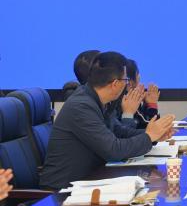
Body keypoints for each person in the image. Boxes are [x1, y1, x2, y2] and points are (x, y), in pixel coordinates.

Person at [39, 52, 175, 190]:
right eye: (125, 80)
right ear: (115, 84)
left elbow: (119, 132)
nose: (126, 85)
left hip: (90, 181)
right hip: (62, 191)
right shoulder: (81, 106)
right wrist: (149, 136)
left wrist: (152, 135)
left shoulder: (97, 100)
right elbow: (113, 150)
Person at [108, 59, 160, 129]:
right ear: (130, 82)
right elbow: (150, 131)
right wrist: (152, 105)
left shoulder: (129, 98)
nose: (139, 77)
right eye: (137, 74)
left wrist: (148, 105)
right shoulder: (120, 102)